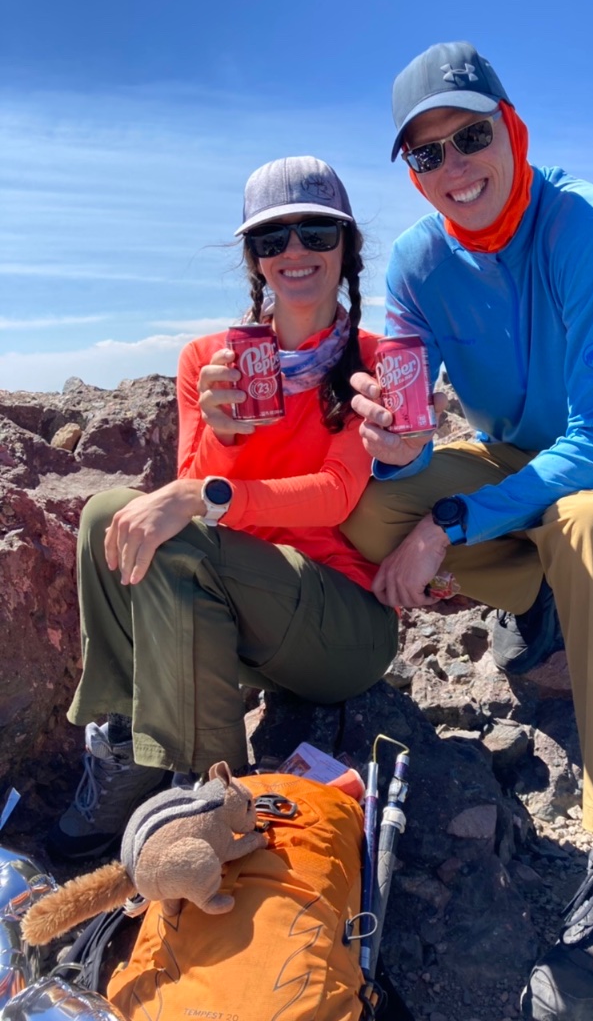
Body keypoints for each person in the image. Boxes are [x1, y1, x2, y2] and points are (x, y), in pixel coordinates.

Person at [342, 41, 593, 1021]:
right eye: (426, 155)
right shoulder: (414, 267)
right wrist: (399, 451)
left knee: (580, 523)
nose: (454, 168)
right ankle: (544, 604)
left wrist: (452, 522)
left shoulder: (583, 227)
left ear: (510, 125)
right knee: (374, 512)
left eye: (469, 136)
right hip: (516, 471)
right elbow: (405, 452)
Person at [49, 155, 398, 862]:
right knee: (104, 518)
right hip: (242, 619)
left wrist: (214, 493)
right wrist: (225, 434)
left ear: (347, 249)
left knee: (177, 536)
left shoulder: (378, 360)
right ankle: (130, 751)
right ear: (255, 261)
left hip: (342, 625)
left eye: (316, 233)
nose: (295, 252)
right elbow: (186, 493)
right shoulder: (207, 359)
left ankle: (209, 796)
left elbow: (335, 492)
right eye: (273, 240)